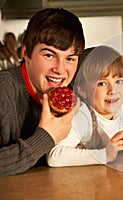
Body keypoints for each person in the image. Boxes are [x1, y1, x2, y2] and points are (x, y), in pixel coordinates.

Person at [0, 8, 85, 176]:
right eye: (49, 55)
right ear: (26, 53)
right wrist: (46, 137)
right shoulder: (3, 91)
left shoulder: (71, 94)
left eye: (70, 59)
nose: (60, 69)